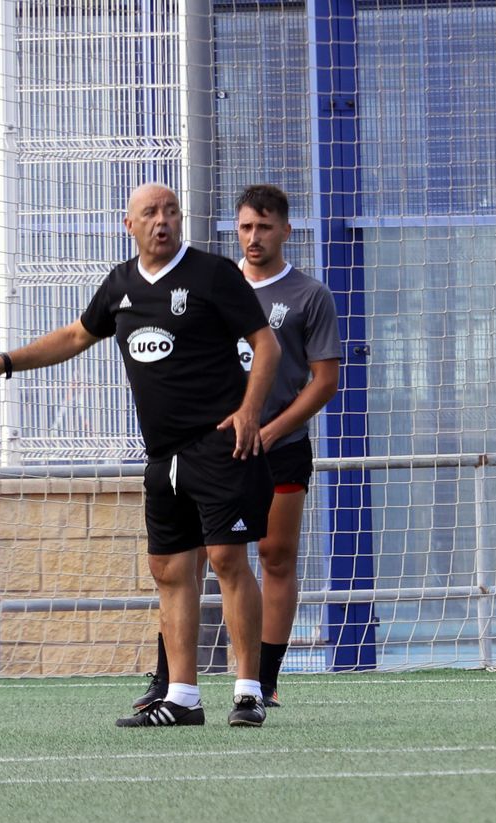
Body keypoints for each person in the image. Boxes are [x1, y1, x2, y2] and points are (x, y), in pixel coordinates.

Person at [0, 182, 282, 727]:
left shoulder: (213, 275)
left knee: (225, 559)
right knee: (169, 570)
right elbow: (77, 336)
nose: (162, 220)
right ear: (129, 224)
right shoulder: (121, 285)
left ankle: (248, 692)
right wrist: (3, 363)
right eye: (150, 212)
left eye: (171, 210)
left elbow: (265, 343)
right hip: (163, 454)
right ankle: (182, 697)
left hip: (220, 442)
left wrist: (250, 411)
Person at [132, 184, 341, 711]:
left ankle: (264, 679)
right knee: (195, 555)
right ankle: (169, 679)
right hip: (214, 449)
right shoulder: (215, 284)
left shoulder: (307, 296)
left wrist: (271, 428)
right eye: (246, 227)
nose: (254, 237)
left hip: (281, 444)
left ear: (286, 232)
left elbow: (322, 381)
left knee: (273, 555)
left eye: (265, 227)